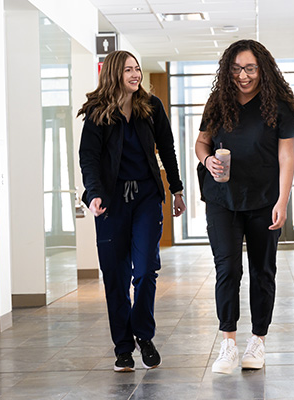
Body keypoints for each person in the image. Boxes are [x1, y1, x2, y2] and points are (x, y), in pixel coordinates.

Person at [195, 39, 294, 374]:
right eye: (237, 68)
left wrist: (283, 201)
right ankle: (228, 342)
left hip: (264, 200)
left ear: (263, 69)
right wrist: (207, 158)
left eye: (250, 68)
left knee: (262, 271)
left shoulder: (280, 106)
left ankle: (258, 340)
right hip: (222, 200)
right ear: (228, 70)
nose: (243, 75)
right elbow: (201, 143)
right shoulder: (218, 102)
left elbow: (287, 157)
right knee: (228, 269)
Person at [78, 50, 186, 372]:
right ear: (114, 73)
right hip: (111, 204)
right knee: (116, 275)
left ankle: (144, 335)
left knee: (145, 270)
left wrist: (176, 190)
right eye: (128, 70)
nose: (135, 74)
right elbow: (89, 159)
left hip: (146, 199)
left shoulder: (151, 107)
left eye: (137, 69)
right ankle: (123, 348)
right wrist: (95, 195)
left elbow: (167, 148)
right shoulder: (98, 112)